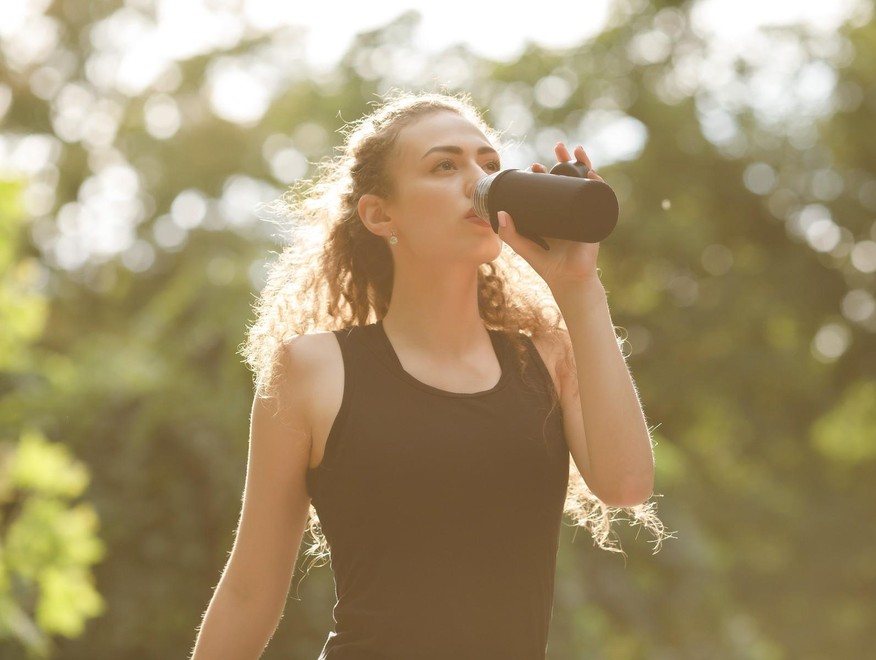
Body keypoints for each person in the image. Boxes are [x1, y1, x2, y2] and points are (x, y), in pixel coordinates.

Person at [191, 90, 665, 659]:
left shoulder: (548, 358)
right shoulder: (313, 370)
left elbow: (628, 484)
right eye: (445, 166)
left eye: (490, 165)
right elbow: (249, 592)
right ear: (379, 214)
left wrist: (579, 287)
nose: (477, 182)